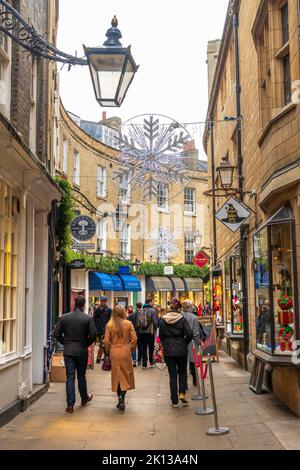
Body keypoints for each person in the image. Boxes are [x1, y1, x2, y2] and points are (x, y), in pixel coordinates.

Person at [53, 296, 97, 413]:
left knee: (70, 377)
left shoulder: (64, 318)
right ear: (83, 305)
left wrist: (65, 342)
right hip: (82, 351)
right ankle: (84, 398)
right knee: (81, 376)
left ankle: (70, 405)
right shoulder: (87, 319)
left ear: (74, 304)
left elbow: (57, 334)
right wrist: (86, 344)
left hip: (68, 351)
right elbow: (93, 335)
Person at [159, 298, 193, 408]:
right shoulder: (182, 319)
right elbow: (189, 333)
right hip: (181, 349)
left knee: (172, 375)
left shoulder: (163, 319)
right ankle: (182, 393)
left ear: (170, 308)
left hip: (168, 350)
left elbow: (161, 335)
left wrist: (165, 344)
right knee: (182, 372)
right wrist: (184, 342)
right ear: (179, 309)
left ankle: (174, 401)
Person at [104, 305, 137, 412]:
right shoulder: (128, 323)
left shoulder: (109, 325)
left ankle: (120, 398)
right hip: (125, 351)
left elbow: (106, 341)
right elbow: (134, 339)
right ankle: (121, 397)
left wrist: (108, 352)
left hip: (114, 351)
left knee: (117, 375)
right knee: (126, 375)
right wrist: (130, 348)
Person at [182, 300, 206, 387]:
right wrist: (199, 343)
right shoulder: (194, 317)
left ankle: (184, 383)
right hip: (191, 342)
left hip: (181, 342)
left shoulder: (180, 316)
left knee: (184, 362)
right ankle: (195, 380)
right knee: (193, 361)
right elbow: (196, 333)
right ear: (189, 307)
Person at [137, 298, 158, 369]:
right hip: (150, 332)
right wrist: (154, 329)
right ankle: (151, 362)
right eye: (152, 302)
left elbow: (138, 322)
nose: (153, 303)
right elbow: (155, 322)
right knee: (151, 347)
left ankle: (144, 364)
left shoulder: (140, 310)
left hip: (142, 332)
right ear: (149, 302)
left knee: (144, 348)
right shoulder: (153, 311)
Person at [93, 296, 112, 364]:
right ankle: (105, 356)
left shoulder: (109, 310)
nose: (102, 302)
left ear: (106, 301)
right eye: (101, 301)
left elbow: (111, 320)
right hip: (99, 329)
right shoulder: (97, 309)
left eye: (103, 301)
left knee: (103, 343)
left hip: (106, 329)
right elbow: (94, 319)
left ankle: (99, 357)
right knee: (103, 343)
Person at [128, 302, 142, 367]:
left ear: (136, 306)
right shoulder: (142, 314)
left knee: (133, 347)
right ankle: (139, 361)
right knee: (140, 347)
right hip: (141, 333)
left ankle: (134, 360)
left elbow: (128, 324)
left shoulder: (131, 315)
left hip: (132, 333)